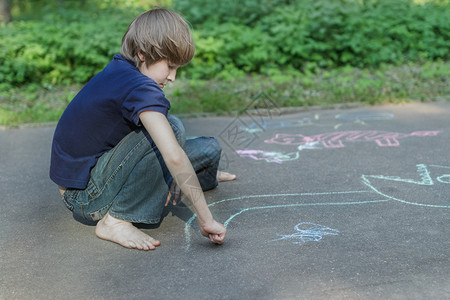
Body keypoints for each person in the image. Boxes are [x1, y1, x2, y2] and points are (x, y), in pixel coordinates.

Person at [49, 8, 236, 251]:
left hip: (100, 174)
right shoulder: (141, 88)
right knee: (172, 128)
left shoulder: (124, 68)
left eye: (177, 69)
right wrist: (206, 220)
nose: (172, 78)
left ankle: (196, 179)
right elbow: (173, 156)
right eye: (169, 67)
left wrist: (187, 172)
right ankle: (116, 220)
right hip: (86, 196)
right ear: (142, 54)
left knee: (209, 149)